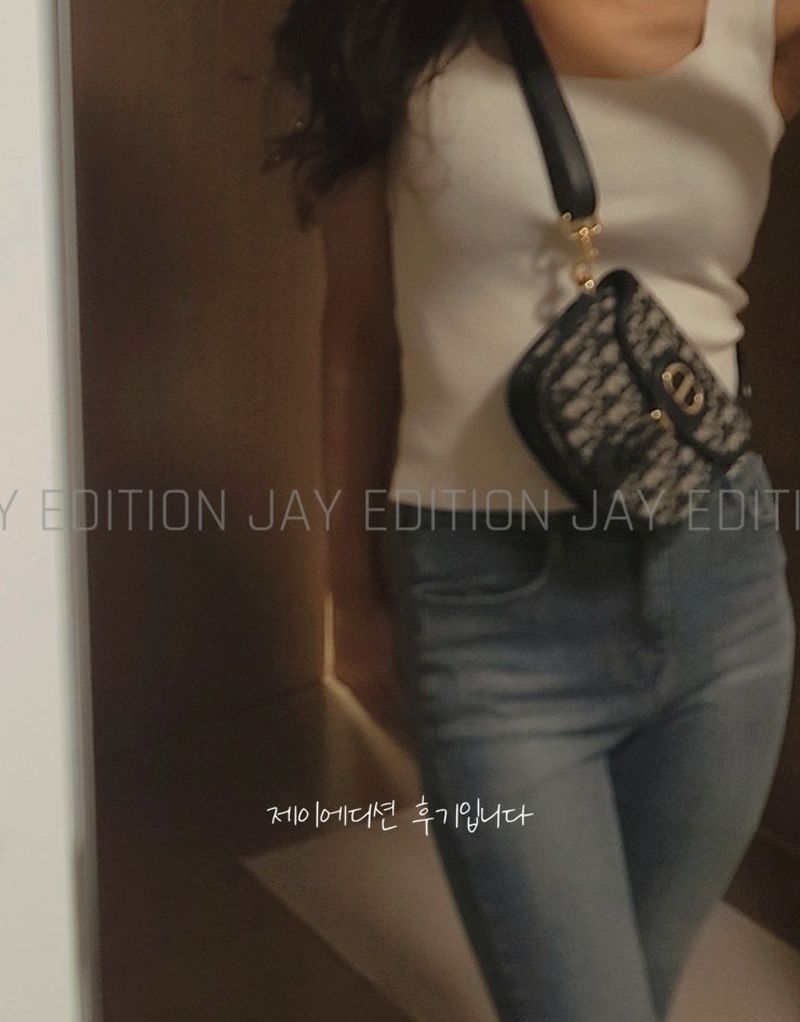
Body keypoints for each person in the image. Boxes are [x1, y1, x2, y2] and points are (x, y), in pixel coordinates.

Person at [264, 2, 800, 1019]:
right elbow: (358, 332)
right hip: (493, 625)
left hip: (722, 601)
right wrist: (350, 591)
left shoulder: (761, 24)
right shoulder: (387, 33)